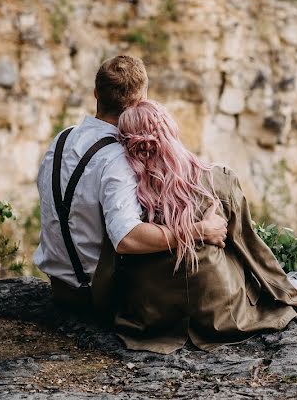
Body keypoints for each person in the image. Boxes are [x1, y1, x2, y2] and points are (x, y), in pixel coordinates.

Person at [109, 99, 297, 353]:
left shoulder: (123, 189)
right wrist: (294, 297)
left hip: (151, 317)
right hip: (221, 315)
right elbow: (250, 248)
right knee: (233, 246)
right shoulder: (219, 179)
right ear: (171, 130)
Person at [33, 56, 228, 315]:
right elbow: (127, 238)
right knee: (219, 191)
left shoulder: (62, 139)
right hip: (97, 296)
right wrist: (199, 231)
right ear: (141, 102)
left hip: (61, 288)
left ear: (95, 94)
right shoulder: (116, 158)